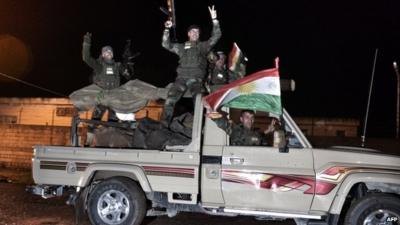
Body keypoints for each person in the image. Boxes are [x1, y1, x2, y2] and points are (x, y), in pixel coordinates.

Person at [161, 5, 222, 126]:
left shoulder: (202, 46)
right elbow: (165, 44)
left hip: (196, 81)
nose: (195, 33)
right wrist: (166, 29)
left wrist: (215, 20)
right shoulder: (182, 47)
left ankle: (201, 126)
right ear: (188, 34)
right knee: (170, 100)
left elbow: (216, 36)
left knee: (199, 101)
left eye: (197, 32)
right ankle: (163, 125)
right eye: (192, 31)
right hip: (181, 79)